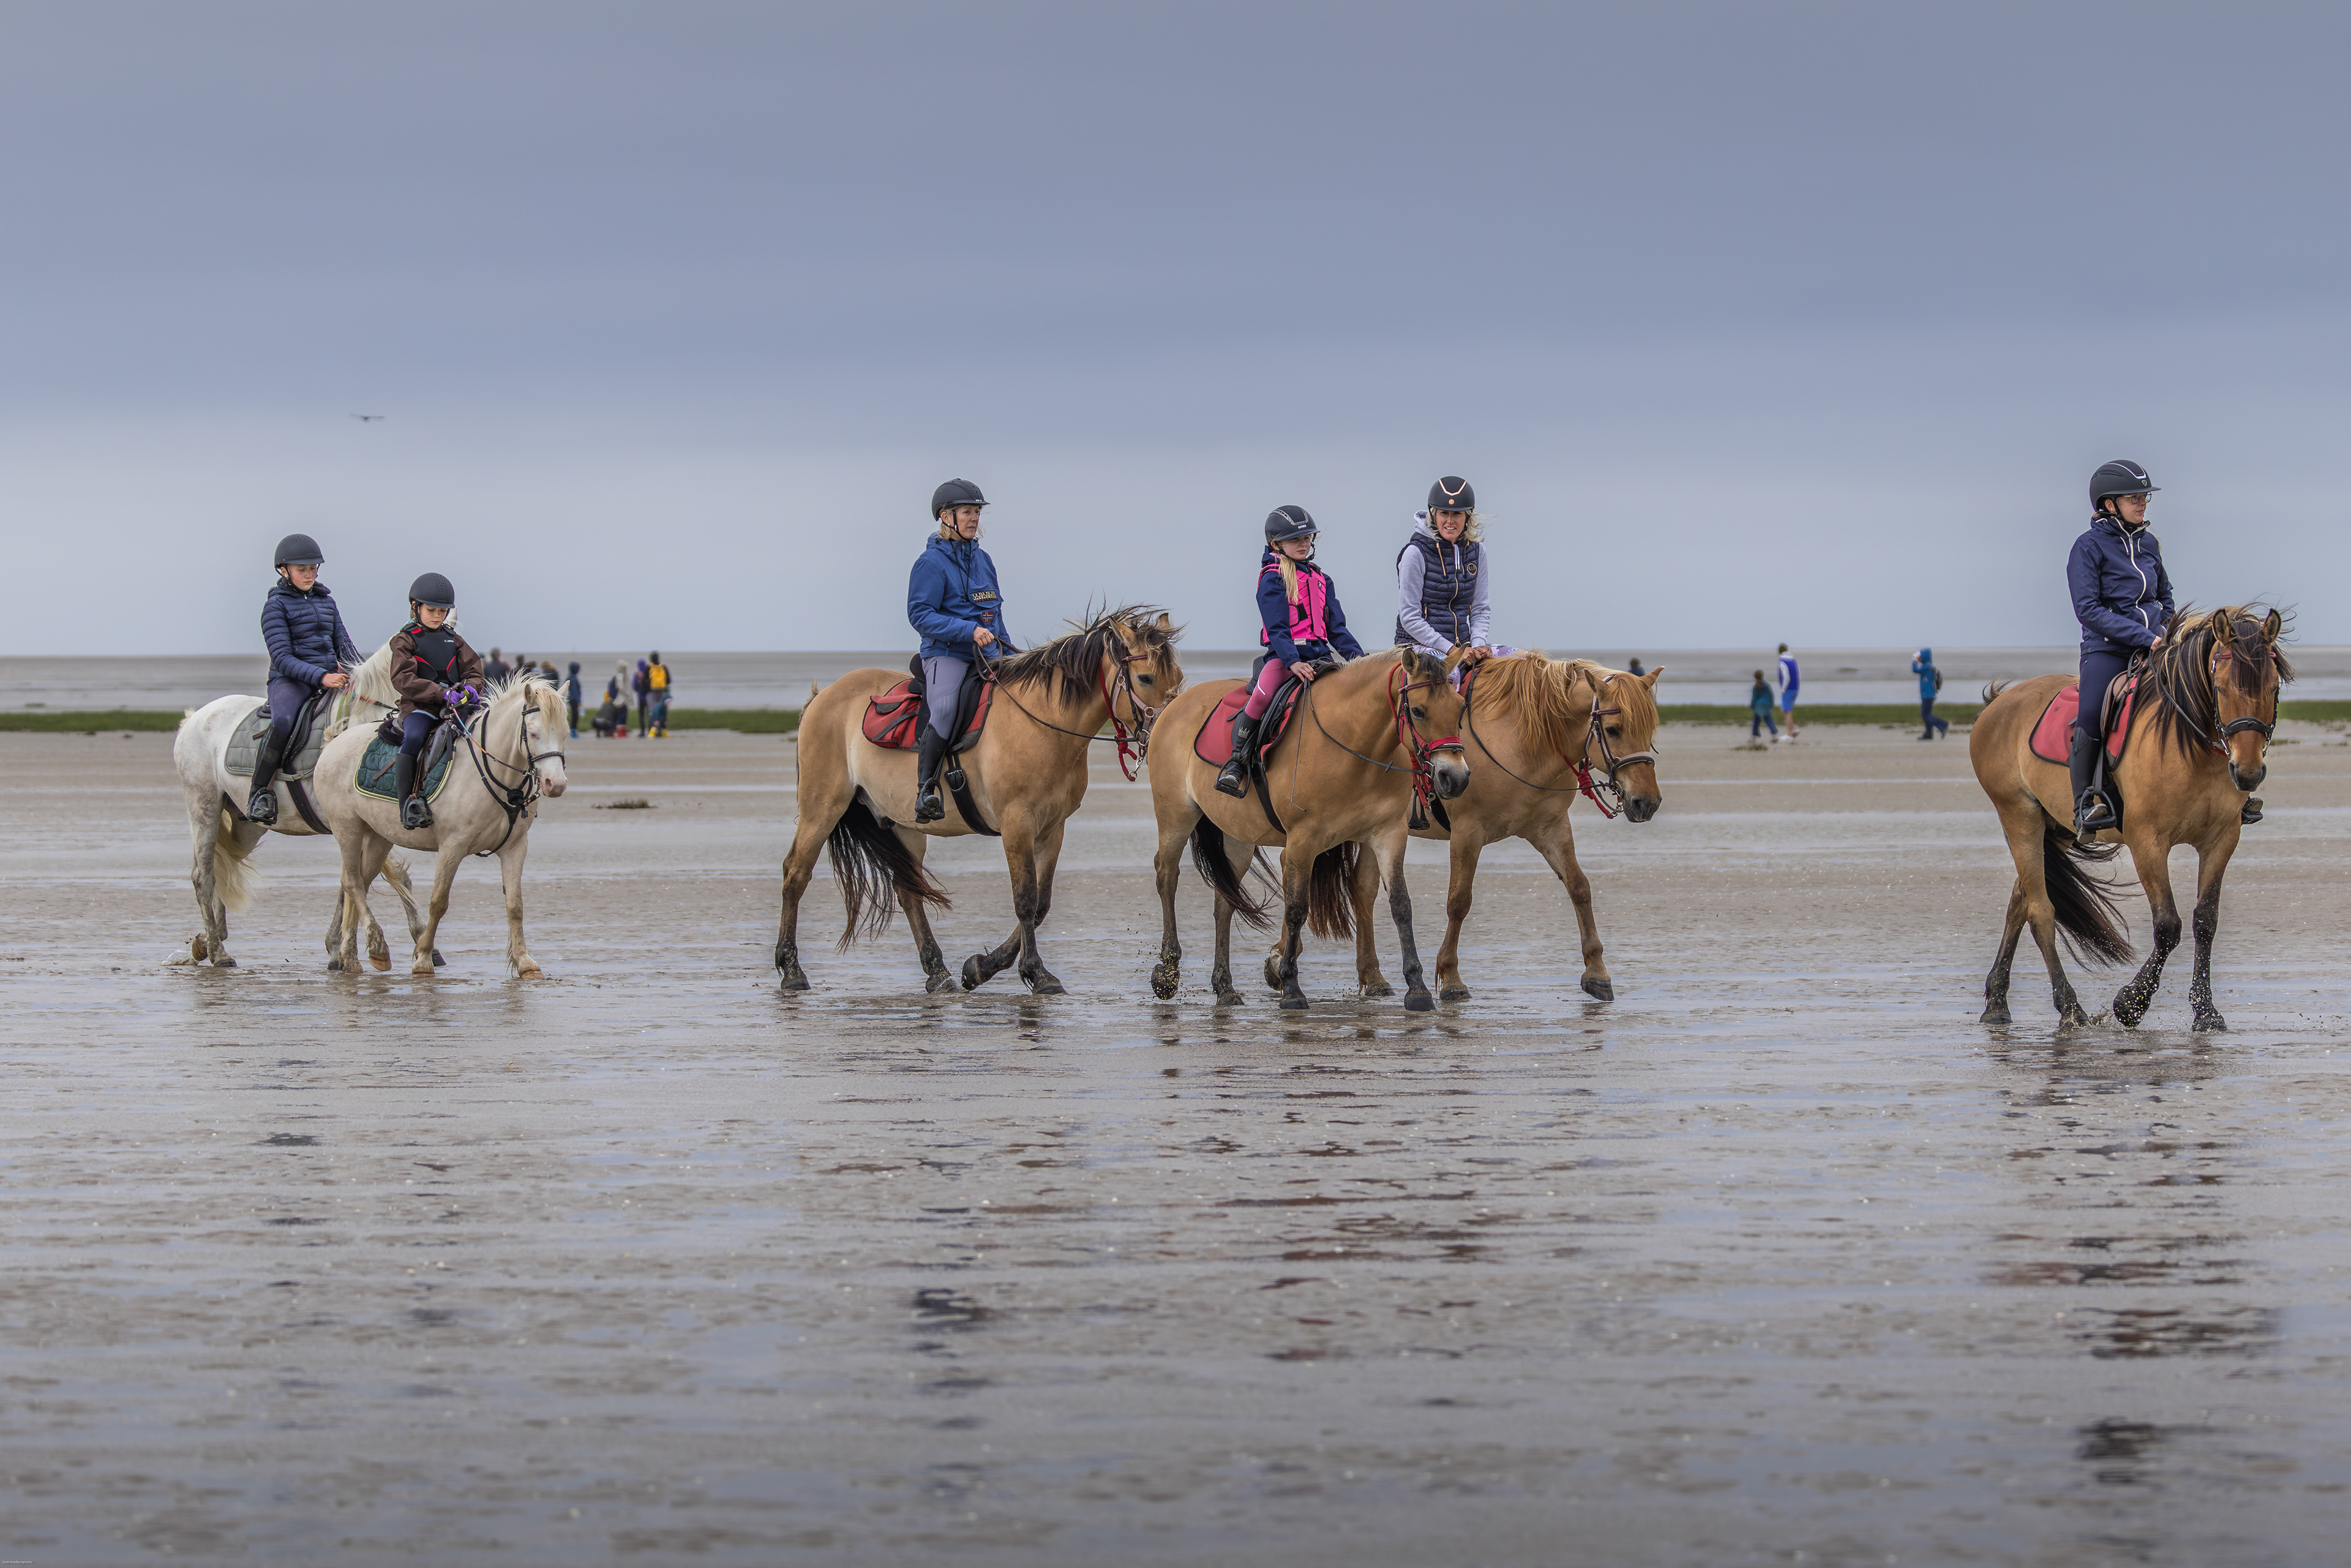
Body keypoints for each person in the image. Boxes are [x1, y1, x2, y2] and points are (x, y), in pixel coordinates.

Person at [2066, 459, 2205, 835]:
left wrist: (2166, 629)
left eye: (2144, 496)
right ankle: (2084, 805)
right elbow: (2088, 610)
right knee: (2092, 715)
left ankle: (2220, 794)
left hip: (2157, 647)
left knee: (2203, 697)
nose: (2143, 502)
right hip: (2107, 650)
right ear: (2109, 503)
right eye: (2134, 497)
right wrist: (2147, 637)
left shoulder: (2149, 543)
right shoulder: (2088, 547)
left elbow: (2166, 595)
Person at [1216, 506, 1365, 797]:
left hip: (1321, 658)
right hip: (1285, 660)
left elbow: (1337, 630)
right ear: (1276, 544)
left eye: (1308, 538)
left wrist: (1359, 661)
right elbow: (1277, 628)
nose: (1304, 544)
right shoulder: (1272, 578)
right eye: (1296, 539)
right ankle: (1237, 761)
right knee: (1262, 695)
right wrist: (1292, 662)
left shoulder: (1323, 580)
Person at [907, 478, 1014, 823]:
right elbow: (920, 615)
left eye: (977, 513)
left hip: (989, 653)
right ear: (945, 516)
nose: (974, 519)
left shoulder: (985, 561)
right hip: (947, 655)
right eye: (967, 512)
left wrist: (1013, 656)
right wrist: (969, 631)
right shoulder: (931, 563)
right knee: (946, 709)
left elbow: (995, 614)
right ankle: (926, 790)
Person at [249, 532, 361, 825]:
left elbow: (345, 645)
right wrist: (322, 677)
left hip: (330, 677)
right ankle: (260, 793)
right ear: (284, 571)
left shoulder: (327, 602)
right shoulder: (275, 607)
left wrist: (359, 674)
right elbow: (283, 658)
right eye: (303, 569)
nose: (310, 574)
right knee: (283, 721)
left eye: (313, 568)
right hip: (290, 680)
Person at [386, 572, 486, 830]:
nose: (438, 616)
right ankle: (408, 804)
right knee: (414, 738)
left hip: (456, 706)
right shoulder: (404, 640)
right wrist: (441, 694)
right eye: (431, 610)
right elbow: (403, 679)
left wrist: (472, 689)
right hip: (420, 707)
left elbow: (474, 670)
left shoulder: (454, 639)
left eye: (442, 611)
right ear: (415, 607)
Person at [1395, 476, 1492, 670]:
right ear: (1433, 514)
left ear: (1468, 516)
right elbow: (1409, 617)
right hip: (1419, 647)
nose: (1450, 521)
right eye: (1444, 513)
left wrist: (1479, 642)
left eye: (1457, 514)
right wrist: (1451, 650)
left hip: (1463, 647)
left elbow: (1480, 608)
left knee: (1519, 663)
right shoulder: (1415, 554)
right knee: (1449, 681)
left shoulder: (1477, 551)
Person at [1913, 647, 1949, 740]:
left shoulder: (1926, 667)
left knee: (1925, 714)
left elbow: (1915, 670)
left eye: (1920, 656)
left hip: (1927, 695)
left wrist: (1915, 661)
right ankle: (1928, 734)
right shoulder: (1928, 666)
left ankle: (1943, 725)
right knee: (1927, 713)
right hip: (1928, 694)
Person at [1775, 643, 1801, 739]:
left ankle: (1790, 734)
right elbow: (1798, 674)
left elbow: (1786, 677)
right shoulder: (1793, 660)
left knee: (1788, 712)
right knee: (1783, 710)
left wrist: (1783, 689)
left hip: (1788, 689)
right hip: (1796, 688)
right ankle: (1794, 729)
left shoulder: (1782, 662)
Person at [1749, 670, 1780, 741]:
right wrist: (1772, 704)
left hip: (1758, 706)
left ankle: (1753, 736)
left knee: (1756, 721)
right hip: (1767, 705)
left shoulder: (1755, 687)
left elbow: (1754, 698)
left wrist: (1752, 707)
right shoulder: (1767, 685)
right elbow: (1771, 695)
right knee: (1769, 720)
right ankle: (1774, 735)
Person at [564, 660, 583, 738]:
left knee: (574, 714)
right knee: (575, 715)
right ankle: (573, 730)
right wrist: (579, 701)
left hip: (571, 698)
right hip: (574, 699)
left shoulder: (570, 676)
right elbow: (575, 690)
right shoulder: (573, 678)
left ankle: (573, 729)